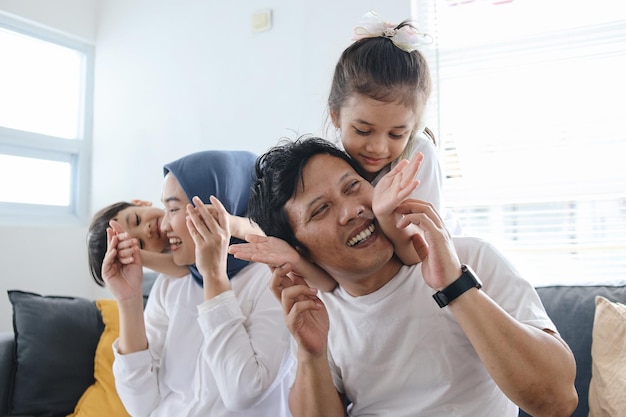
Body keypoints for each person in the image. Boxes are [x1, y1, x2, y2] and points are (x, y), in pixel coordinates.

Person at [229, 137, 578, 417]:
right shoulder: (319, 312)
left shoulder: (469, 258)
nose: (353, 210)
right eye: (321, 210)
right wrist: (311, 354)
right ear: (298, 249)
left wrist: (455, 286)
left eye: (352, 187)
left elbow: (558, 401)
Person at [101, 150, 294, 417]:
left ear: (217, 209)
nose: (163, 226)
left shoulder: (272, 279)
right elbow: (139, 405)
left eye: (173, 209)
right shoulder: (170, 285)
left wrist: (214, 276)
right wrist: (129, 299)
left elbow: (245, 392)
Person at [327, 10, 463, 237]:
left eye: (397, 134)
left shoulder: (420, 155)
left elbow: (423, 245)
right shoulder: (329, 161)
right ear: (335, 115)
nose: (378, 147)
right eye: (363, 130)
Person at [88, 196, 271, 285]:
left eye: (136, 219)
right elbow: (184, 266)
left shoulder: (184, 201)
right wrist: (136, 255)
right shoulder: (171, 263)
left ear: (141, 203)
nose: (146, 230)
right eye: (140, 243)